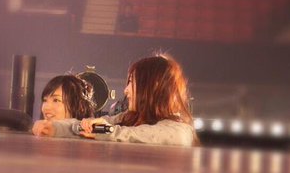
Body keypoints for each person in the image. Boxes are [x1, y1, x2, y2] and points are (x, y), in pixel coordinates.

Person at [32, 54, 197, 147]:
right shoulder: (128, 117)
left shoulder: (179, 131)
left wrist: (104, 131)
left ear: (152, 86)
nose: (126, 90)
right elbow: (86, 127)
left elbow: (137, 135)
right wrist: (54, 128)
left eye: (131, 82)